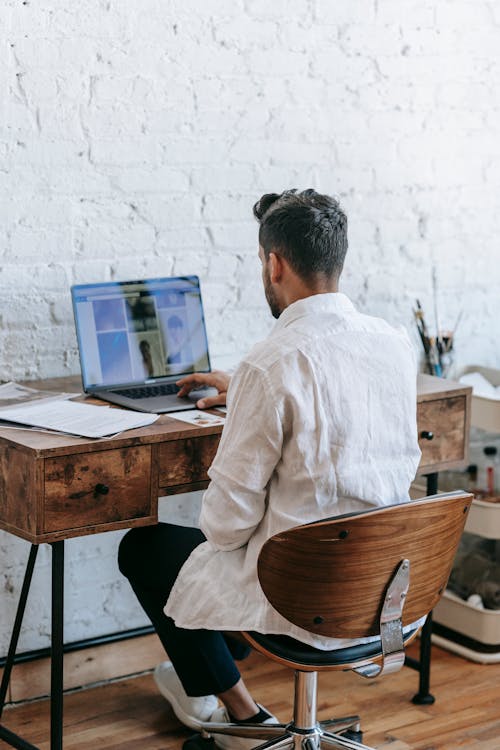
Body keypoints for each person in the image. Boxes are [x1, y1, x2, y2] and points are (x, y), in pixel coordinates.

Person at [118, 189, 421, 749]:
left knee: (147, 548)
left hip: (303, 594)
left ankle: (243, 719)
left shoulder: (269, 363)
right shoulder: (394, 345)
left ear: (273, 263)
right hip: (379, 590)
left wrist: (254, 398)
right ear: (337, 259)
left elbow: (225, 527)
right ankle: (227, 684)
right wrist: (249, 397)